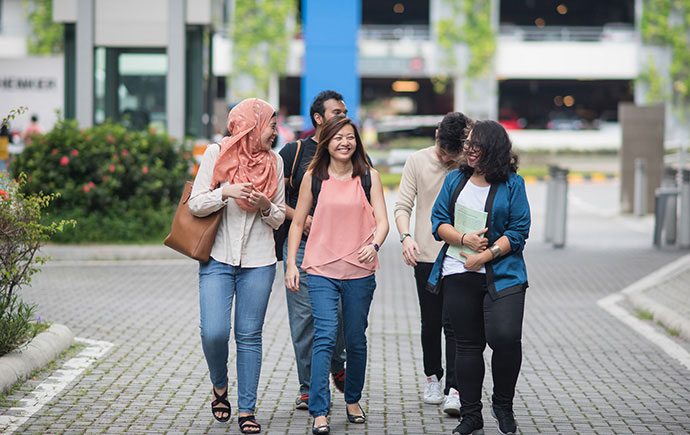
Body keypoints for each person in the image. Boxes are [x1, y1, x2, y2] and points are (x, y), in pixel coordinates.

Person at [285, 115, 388, 434]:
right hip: (320, 271)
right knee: (325, 337)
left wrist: (375, 244)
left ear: (357, 141)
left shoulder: (369, 176)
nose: (345, 142)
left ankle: (353, 399)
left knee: (355, 338)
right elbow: (298, 223)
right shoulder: (313, 176)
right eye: (338, 137)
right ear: (326, 141)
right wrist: (291, 264)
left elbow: (382, 222)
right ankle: (319, 409)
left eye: (350, 137)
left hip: (359, 271)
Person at [189, 98, 285, 434]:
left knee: (249, 336)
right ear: (252, 125)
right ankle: (219, 386)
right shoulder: (216, 154)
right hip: (217, 257)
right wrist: (225, 191)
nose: (275, 132)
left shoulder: (275, 162)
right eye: (271, 125)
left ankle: (247, 409)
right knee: (213, 331)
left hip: (259, 261)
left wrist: (263, 204)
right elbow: (195, 205)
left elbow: (279, 218)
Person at [428, 120, 530, 435]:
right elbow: (438, 221)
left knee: (506, 337)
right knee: (468, 346)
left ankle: (503, 404)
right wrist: (463, 239)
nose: (470, 149)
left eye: (477, 144)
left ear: (494, 149)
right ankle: (471, 416)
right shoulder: (454, 180)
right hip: (459, 272)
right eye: (468, 144)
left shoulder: (513, 184)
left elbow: (519, 230)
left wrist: (485, 255)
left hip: (504, 275)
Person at [393, 112, 470, 415]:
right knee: (431, 321)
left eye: (450, 155)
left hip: (460, 255)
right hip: (425, 254)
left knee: (454, 324)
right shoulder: (417, 161)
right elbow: (402, 205)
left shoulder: (469, 165)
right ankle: (432, 378)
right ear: (437, 135)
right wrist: (405, 237)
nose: (444, 158)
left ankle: (455, 388)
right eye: (442, 151)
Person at [278, 90, 349, 411]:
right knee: (306, 319)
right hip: (304, 246)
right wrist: (301, 218)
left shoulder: (352, 151)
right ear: (318, 118)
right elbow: (274, 199)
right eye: (336, 112)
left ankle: (337, 362)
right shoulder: (293, 153)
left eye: (344, 112)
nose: (343, 117)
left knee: (342, 317)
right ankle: (309, 386)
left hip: (344, 247)